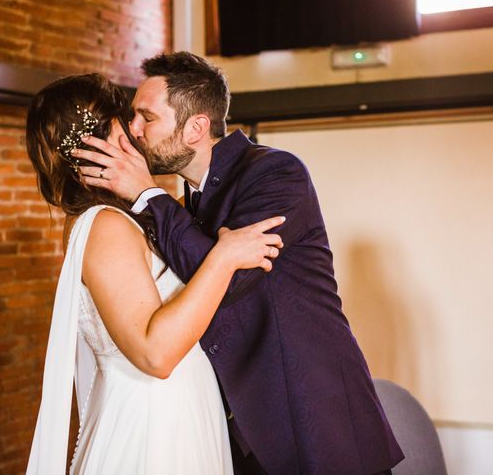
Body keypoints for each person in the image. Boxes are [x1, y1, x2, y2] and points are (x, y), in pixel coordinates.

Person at [74, 52, 405, 474]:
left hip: (314, 426)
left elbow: (227, 282)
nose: (134, 131)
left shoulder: (275, 174)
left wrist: (145, 194)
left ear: (196, 127)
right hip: (239, 437)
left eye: (146, 118)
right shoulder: (183, 204)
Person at [24, 73, 285, 475]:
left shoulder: (125, 218)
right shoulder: (105, 226)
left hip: (179, 412)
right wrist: (224, 257)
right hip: (152, 427)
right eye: (125, 122)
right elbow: (155, 354)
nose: (135, 131)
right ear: (98, 145)